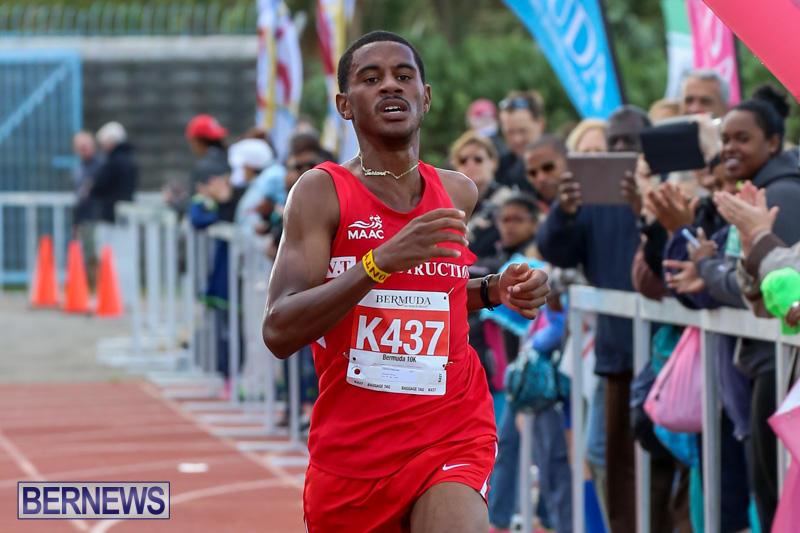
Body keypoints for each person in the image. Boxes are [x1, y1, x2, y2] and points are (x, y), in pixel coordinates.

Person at [262, 30, 550, 532]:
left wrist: (492, 289)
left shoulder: (457, 192)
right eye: (371, 79)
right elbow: (280, 329)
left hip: (452, 428)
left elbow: (428, 295)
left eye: (403, 76)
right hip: (355, 451)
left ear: (426, 96)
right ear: (345, 105)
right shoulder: (321, 192)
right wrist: (379, 263)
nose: (390, 86)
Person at [537, 105, 653, 533]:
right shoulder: (594, 198)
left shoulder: (667, 190)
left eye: (631, 141)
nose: (621, 149)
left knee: (659, 460)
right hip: (616, 354)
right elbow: (556, 250)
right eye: (614, 141)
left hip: (663, 353)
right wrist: (564, 211)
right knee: (606, 455)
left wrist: (647, 210)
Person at [449, 130, 509, 260]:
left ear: (493, 163)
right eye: (463, 160)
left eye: (478, 159)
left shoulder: (509, 200)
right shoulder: (447, 204)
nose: (470, 165)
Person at [166, 114, 230, 211]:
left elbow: (195, 204)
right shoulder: (228, 158)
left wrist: (173, 201)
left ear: (197, 141)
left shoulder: (205, 167)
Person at [495, 90, 546, 194]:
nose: (517, 139)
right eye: (510, 132)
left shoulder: (559, 161)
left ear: (540, 125)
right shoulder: (500, 167)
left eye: (523, 131)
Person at [523, 134, 568, 212]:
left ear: (568, 162)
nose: (541, 178)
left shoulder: (589, 202)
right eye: (532, 173)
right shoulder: (528, 209)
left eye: (548, 168)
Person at [71, 131, 104, 232]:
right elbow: (79, 195)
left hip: (97, 217)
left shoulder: (101, 165)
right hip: (84, 216)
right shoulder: (80, 167)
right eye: (79, 148)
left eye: (84, 147)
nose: (82, 151)